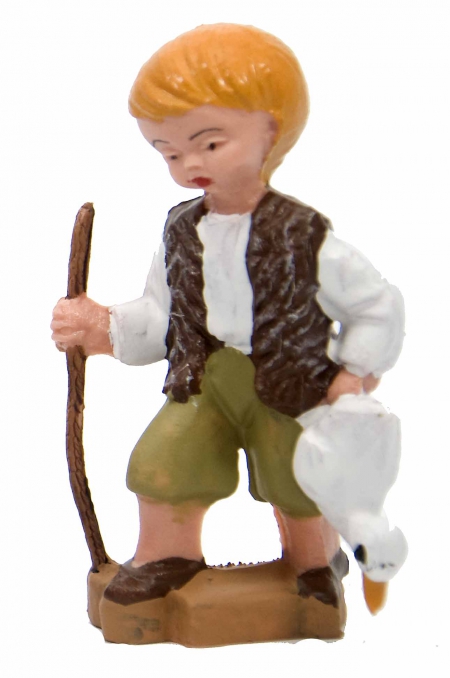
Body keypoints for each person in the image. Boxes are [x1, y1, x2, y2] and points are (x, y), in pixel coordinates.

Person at [51, 24, 404, 608]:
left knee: (299, 473)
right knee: (163, 463)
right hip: (205, 379)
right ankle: (168, 555)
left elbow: (376, 305)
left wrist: (354, 370)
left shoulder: (305, 236)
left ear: (271, 130)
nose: (187, 163)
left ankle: (315, 561)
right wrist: (102, 326)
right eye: (168, 151)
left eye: (209, 144)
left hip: (289, 380)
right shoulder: (181, 230)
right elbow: (160, 316)